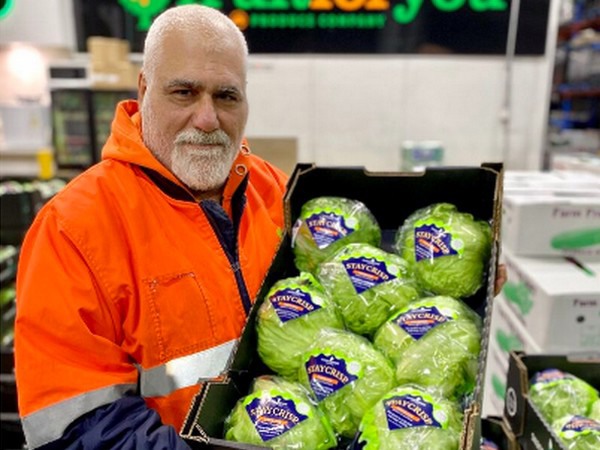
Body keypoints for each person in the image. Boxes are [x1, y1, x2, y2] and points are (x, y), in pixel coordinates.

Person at [14, 5, 288, 449]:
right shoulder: (73, 228)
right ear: (144, 90)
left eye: (226, 96)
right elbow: (80, 423)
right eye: (184, 92)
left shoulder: (279, 195)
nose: (207, 118)